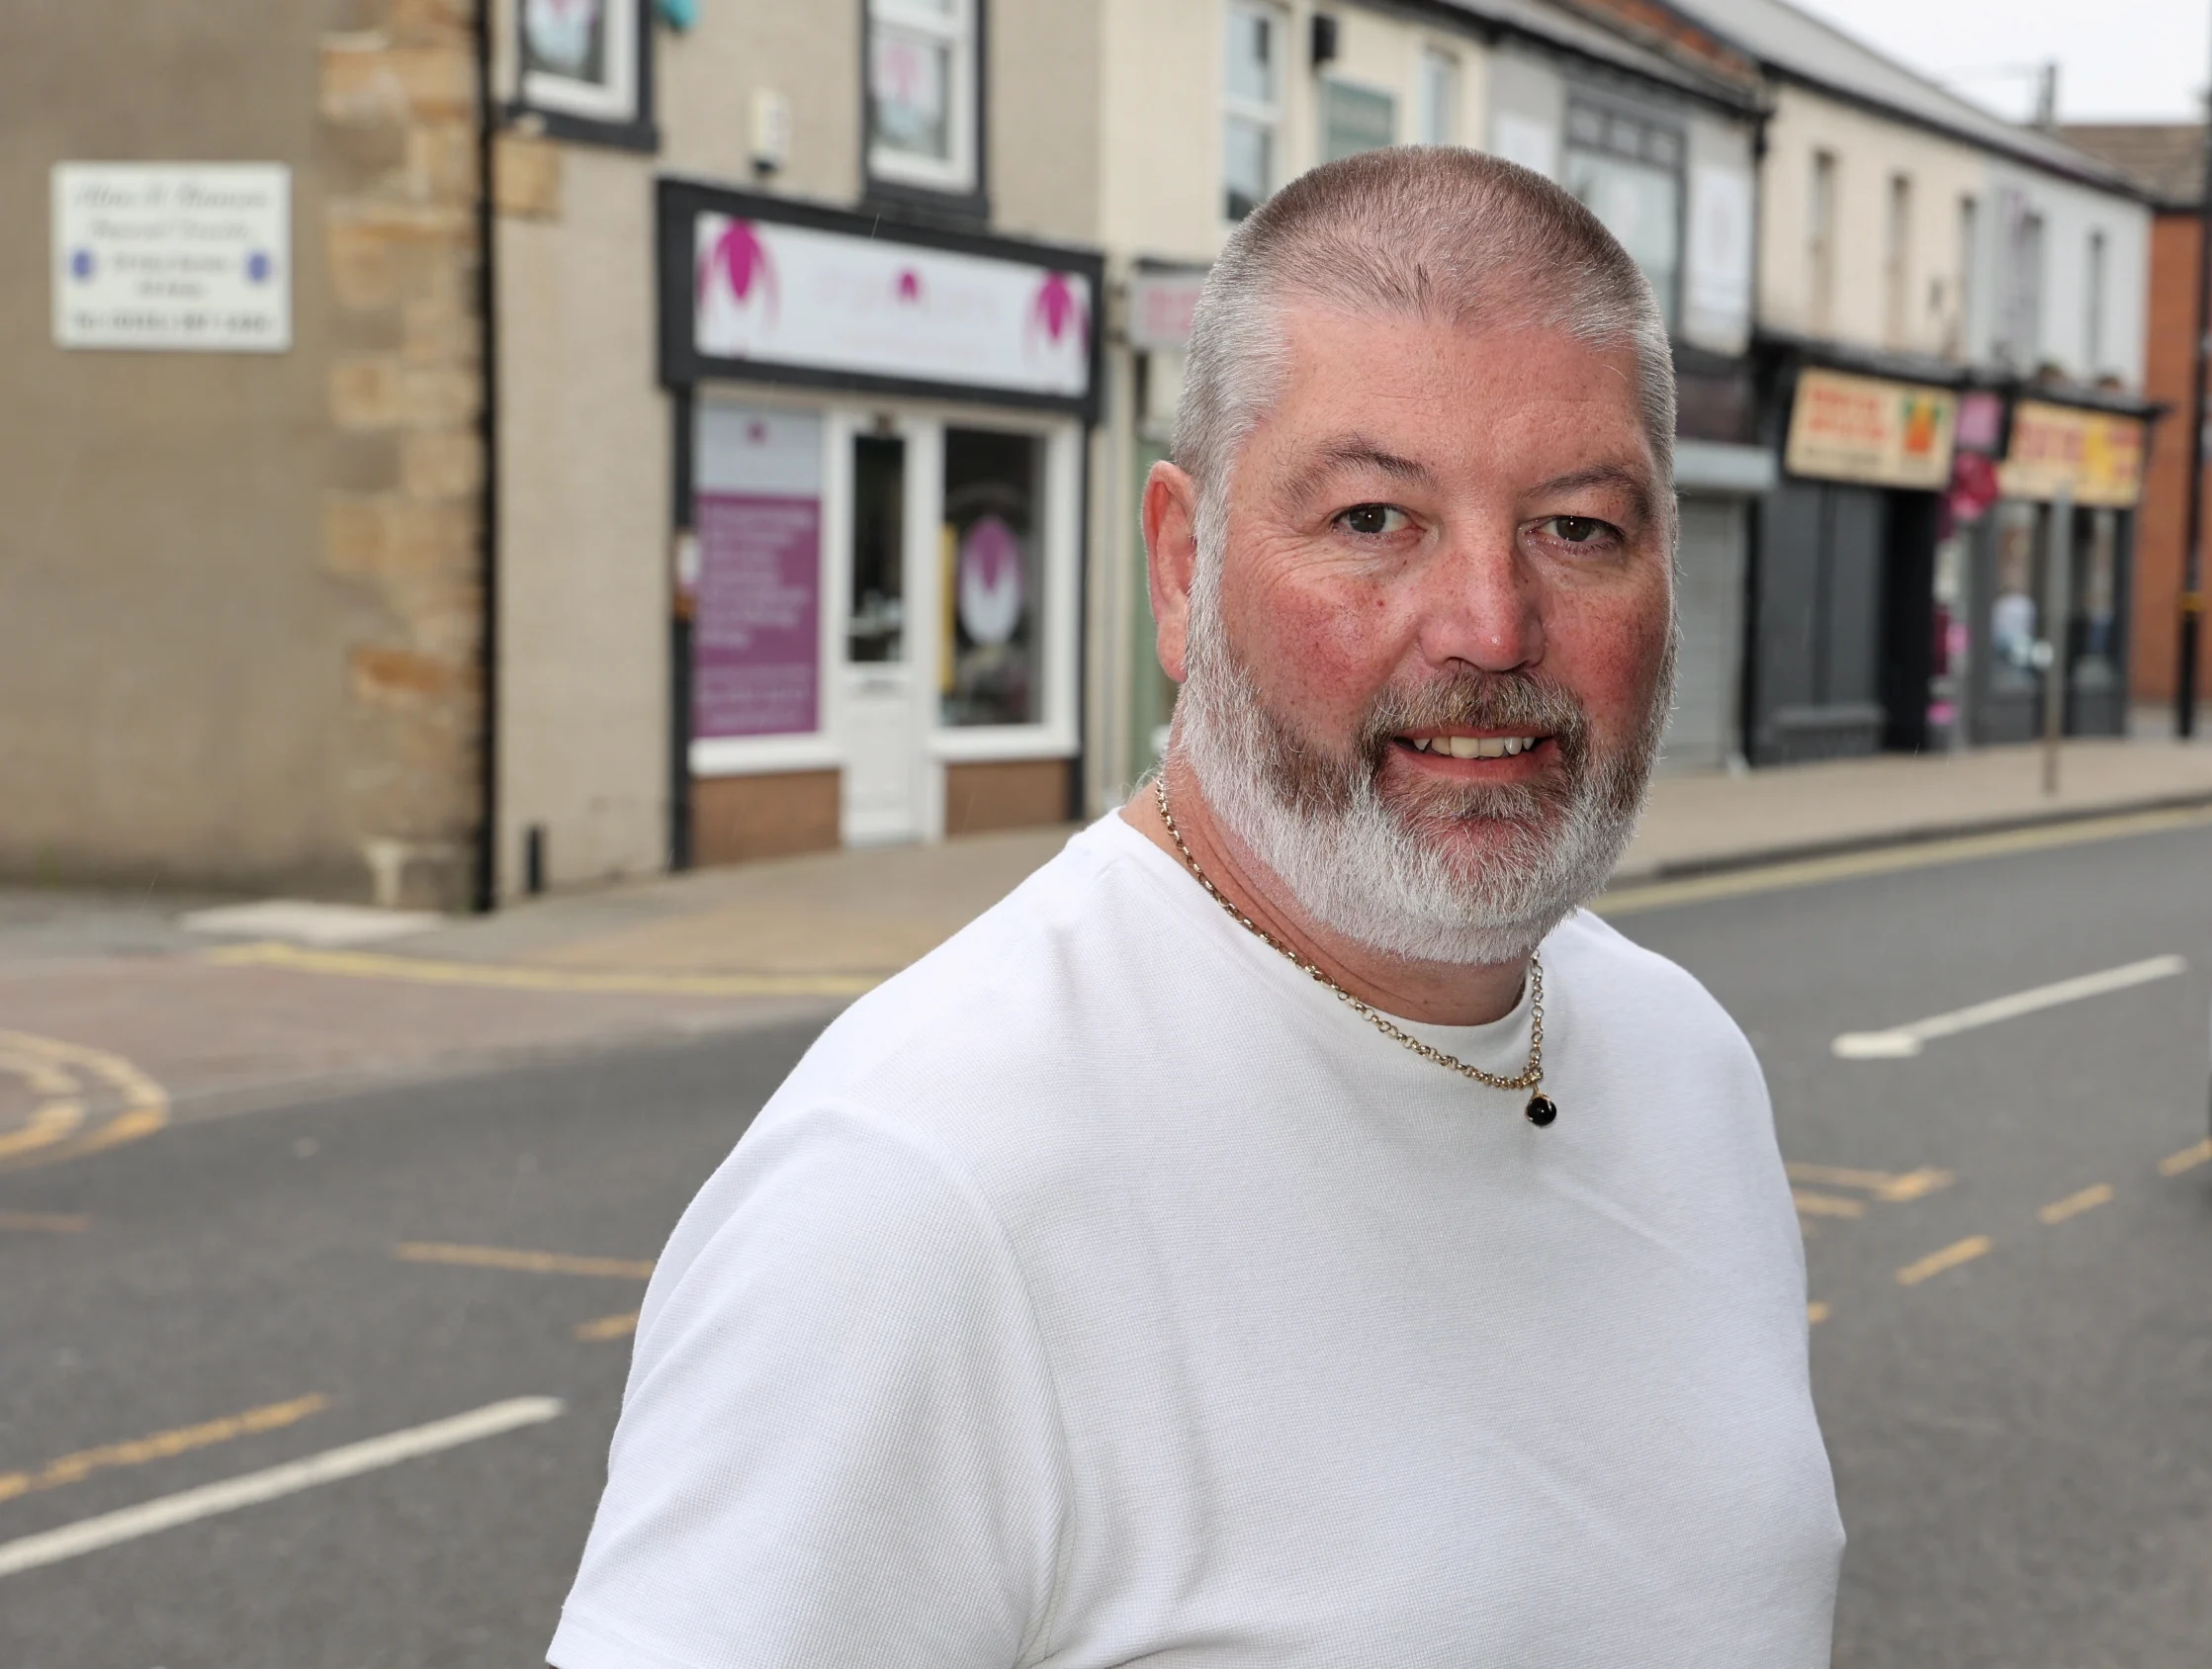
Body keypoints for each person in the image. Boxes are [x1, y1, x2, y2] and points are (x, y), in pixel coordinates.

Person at [547, 150, 1843, 1669]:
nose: (1491, 624)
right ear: (1182, 569)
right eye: (1374, 519)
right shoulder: (919, 1191)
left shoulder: (1689, 1064)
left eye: (1578, 528)